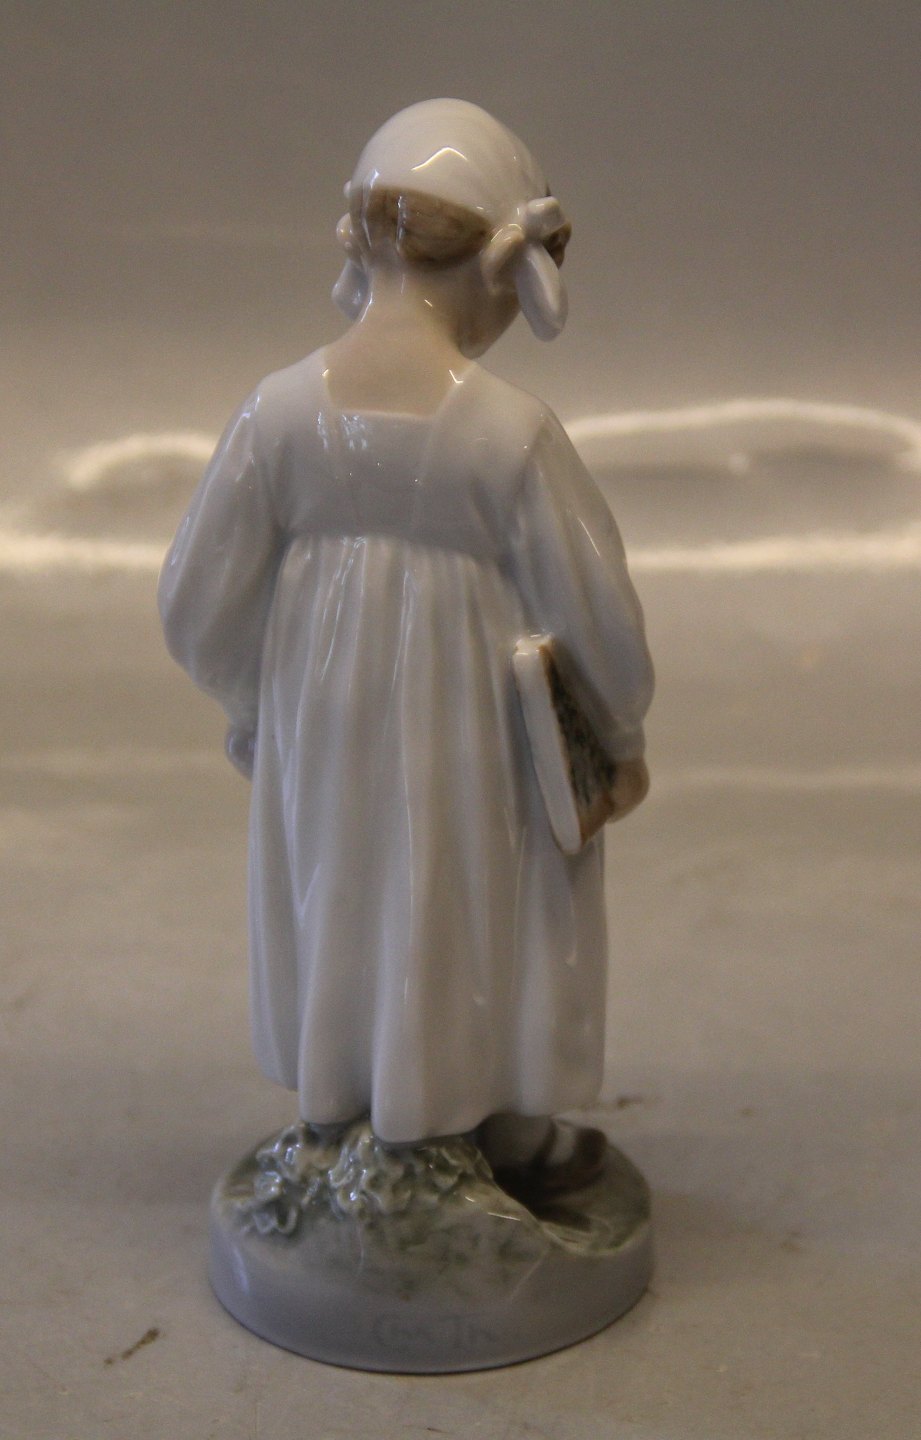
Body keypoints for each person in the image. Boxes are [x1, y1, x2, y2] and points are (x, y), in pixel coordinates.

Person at [159, 100, 653, 1193]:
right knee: (477, 894)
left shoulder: (278, 413)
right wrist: (618, 732)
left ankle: (346, 1102)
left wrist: (257, 704)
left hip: (322, 712)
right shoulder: (508, 431)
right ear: (494, 266)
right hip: (474, 717)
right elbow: (594, 604)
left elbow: (196, 600)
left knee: (340, 882)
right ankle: (493, 1121)